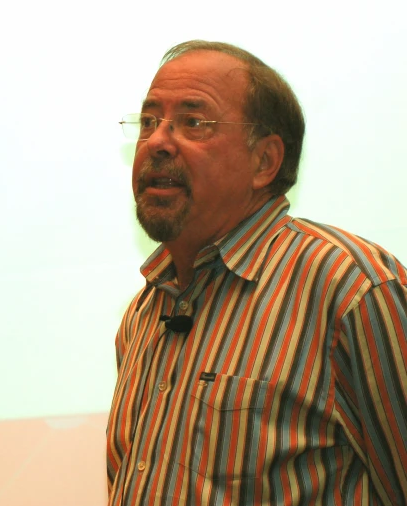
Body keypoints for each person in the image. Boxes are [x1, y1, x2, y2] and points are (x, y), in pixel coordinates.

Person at [106, 40, 407, 506]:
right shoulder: (142, 316)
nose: (158, 142)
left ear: (264, 161)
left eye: (193, 122)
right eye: (148, 122)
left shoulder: (352, 289)